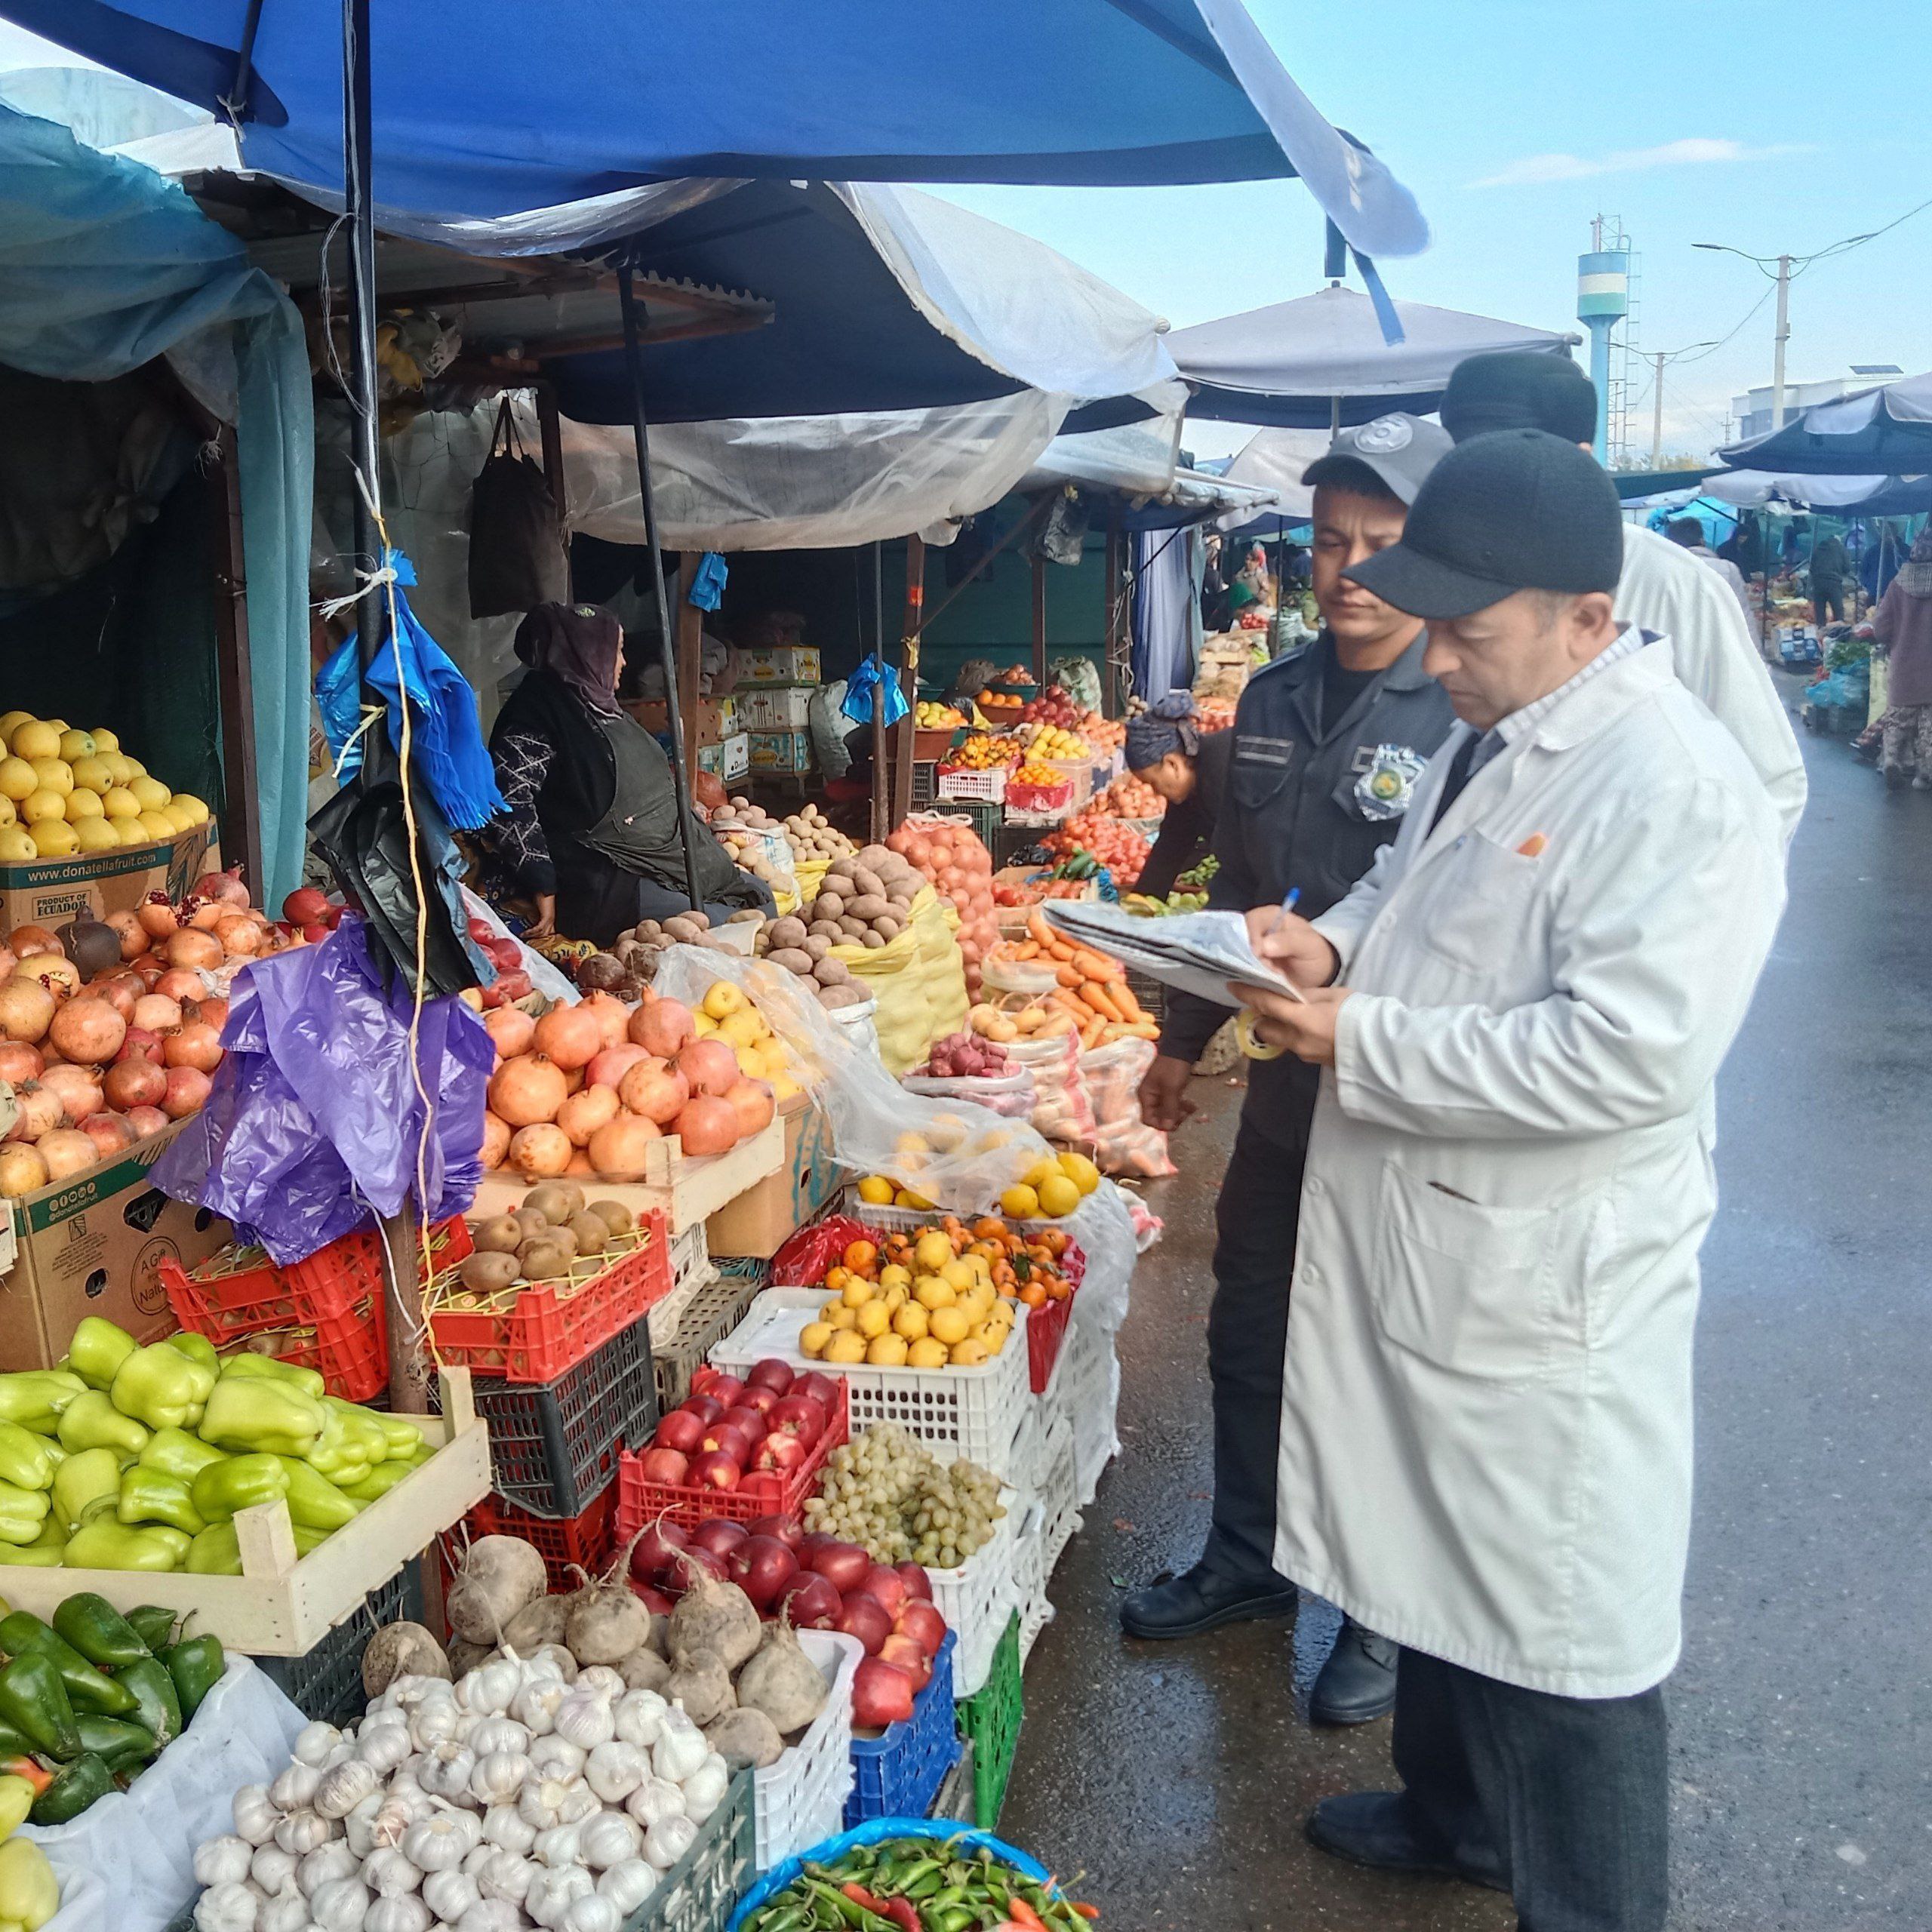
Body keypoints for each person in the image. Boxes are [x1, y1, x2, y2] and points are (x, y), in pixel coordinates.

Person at [1241, 430, 1786, 1932]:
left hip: (1545, 1275)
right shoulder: (1497, 726)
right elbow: (1405, 884)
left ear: (1587, 621)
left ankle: (1588, 1902)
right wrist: (1330, 944)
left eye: (1468, 631)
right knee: (1430, 1554)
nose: (1439, 657)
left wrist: (1360, 1035)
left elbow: (1625, 1057)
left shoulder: (1672, 787)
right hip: (1435, 1237)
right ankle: (1450, 1812)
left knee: (1562, 1630)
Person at [1120, 413, 1458, 1730]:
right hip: (1280, 1103)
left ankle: (1379, 1611)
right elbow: (1240, 899)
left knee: (1374, 1356)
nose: (1350, 569)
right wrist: (1172, 1045)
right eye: (1329, 543)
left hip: (1399, 1105)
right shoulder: (1266, 702)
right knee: (1250, 1327)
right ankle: (1249, 1559)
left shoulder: (1460, 713)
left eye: (1380, 544)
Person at [1439, 351, 1806, 845]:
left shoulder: (1672, 582)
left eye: (1514, 466)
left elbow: (1771, 781)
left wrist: (1685, 900)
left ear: (1582, 459)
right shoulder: (1441, 569)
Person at [488, 602, 772, 945]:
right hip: (604, 875)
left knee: (762, 897)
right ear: (589, 653)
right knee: (723, 926)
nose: (623, 662)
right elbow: (510, 802)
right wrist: (542, 883)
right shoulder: (534, 717)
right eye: (617, 651)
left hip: (658, 855)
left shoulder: (596, 702)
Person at [1122, 694, 1233, 900]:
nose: (1155, 793)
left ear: (1173, 764)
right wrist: (1138, 906)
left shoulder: (1222, 771)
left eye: (1153, 783)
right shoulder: (1189, 792)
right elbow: (1170, 849)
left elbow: (1250, 859)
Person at [1866, 527, 1932, 788]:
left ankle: (1891, 759)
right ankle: (1925, 771)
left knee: (1898, 717)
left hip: (1904, 664)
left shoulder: (1897, 584)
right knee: (1929, 724)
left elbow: (1880, 629)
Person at [1666, 515, 1755, 629]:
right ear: (1702, 541)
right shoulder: (1727, 568)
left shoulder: (1665, 571)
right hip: (1721, 636)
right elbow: (1743, 614)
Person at [1810, 528, 1851, 626]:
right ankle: (1838, 634)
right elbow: (1847, 568)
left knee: (1820, 612)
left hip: (1818, 583)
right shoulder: (1841, 548)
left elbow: (1811, 567)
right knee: (1838, 612)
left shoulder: (1818, 548)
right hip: (1834, 583)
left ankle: (1821, 631)